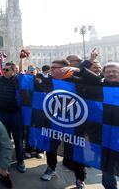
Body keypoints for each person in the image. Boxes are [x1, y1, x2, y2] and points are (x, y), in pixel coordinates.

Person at [40, 59, 101, 189]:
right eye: (50, 68)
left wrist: (79, 69)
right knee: (51, 148)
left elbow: (97, 81)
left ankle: (80, 179)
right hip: (54, 122)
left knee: (76, 151)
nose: (51, 70)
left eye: (54, 68)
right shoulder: (49, 81)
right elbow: (29, 83)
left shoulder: (76, 80)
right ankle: (51, 168)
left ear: (63, 68)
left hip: (74, 123)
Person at [0, 62, 26, 173]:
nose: (4, 71)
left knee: (18, 140)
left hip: (15, 114)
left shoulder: (17, 80)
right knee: (4, 140)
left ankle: (20, 161)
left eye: (7, 70)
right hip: (2, 114)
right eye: (3, 69)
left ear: (14, 71)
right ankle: (6, 161)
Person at [100, 62, 119, 189]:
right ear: (103, 73)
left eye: (115, 71)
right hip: (103, 134)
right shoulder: (97, 87)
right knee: (106, 165)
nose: (111, 73)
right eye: (108, 71)